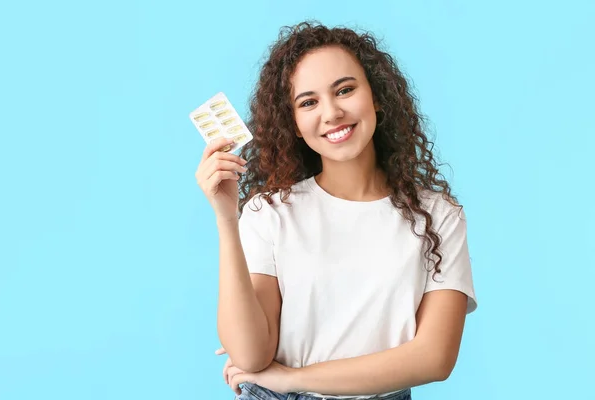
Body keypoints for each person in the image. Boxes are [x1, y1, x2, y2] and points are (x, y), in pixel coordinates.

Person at [195, 21, 478, 400]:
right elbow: (250, 354)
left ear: (376, 96)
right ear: (293, 124)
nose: (331, 113)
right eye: (308, 102)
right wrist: (227, 217)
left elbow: (435, 358)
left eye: (345, 90)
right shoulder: (270, 213)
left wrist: (292, 378)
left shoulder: (438, 216)